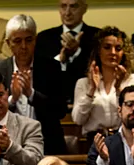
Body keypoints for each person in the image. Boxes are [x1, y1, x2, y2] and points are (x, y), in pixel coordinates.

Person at [34, 0, 98, 150]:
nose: (68, 12)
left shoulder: (96, 37)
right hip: (53, 111)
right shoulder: (44, 38)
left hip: (86, 107)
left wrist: (77, 53)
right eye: (64, 6)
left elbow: (97, 70)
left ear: (84, 8)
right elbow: (39, 76)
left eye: (73, 6)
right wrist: (60, 60)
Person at [72, 27, 134, 138]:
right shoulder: (83, 83)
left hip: (123, 139)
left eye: (118, 48)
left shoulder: (133, 80)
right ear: (98, 51)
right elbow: (78, 120)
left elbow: (133, 116)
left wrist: (119, 89)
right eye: (107, 47)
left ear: (124, 53)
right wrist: (91, 90)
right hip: (93, 141)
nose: (113, 52)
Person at [0, 15, 48, 121]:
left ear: (35, 40)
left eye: (28, 40)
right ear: (8, 43)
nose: (23, 46)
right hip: (8, 134)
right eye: (17, 41)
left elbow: (60, 110)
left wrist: (31, 94)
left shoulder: (51, 68)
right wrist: (13, 99)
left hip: (44, 135)